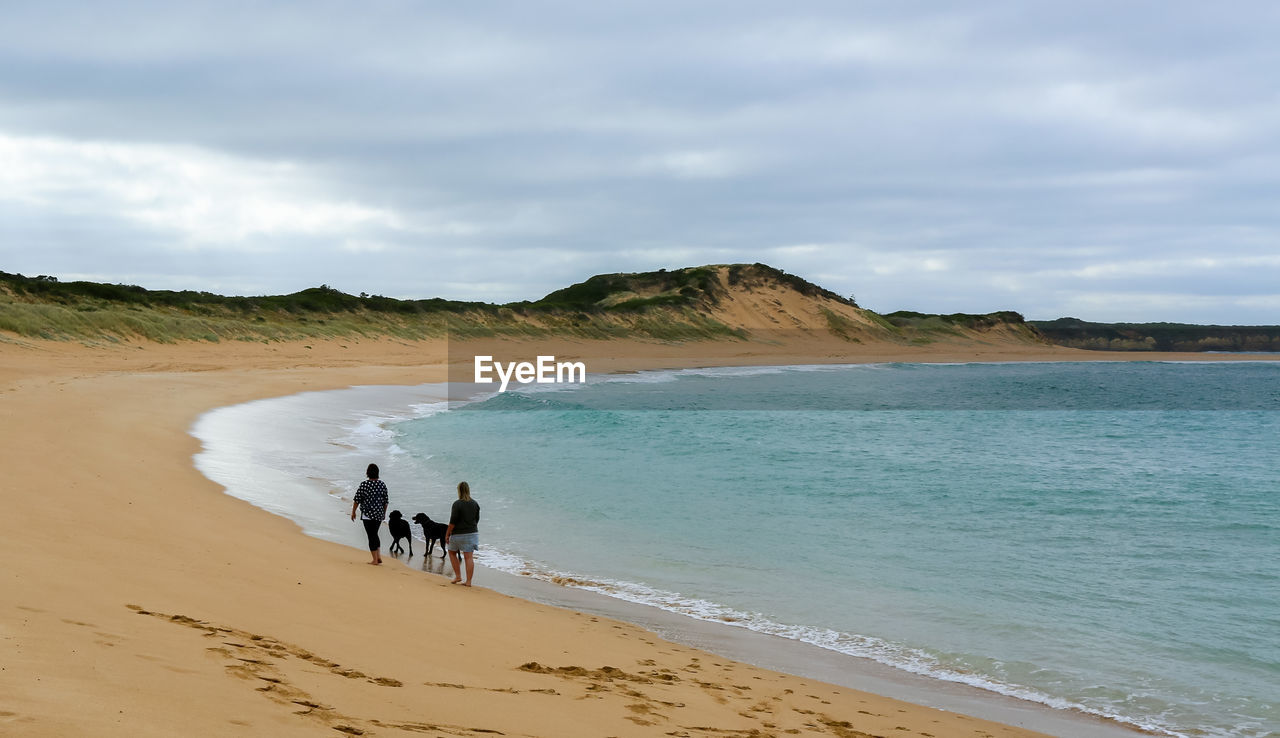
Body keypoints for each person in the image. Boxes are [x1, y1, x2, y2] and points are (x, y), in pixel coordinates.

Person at [350, 463, 388, 565]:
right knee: (375, 534)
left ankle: (375, 560)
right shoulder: (382, 484)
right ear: (377, 473)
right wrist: (384, 513)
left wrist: (353, 512)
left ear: (367, 473)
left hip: (367, 514)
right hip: (379, 514)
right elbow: (386, 501)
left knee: (371, 536)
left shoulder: (364, 484)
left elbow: (357, 499)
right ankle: (378, 557)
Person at [446, 481, 481, 586]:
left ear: (459, 490)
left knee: (452, 552)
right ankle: (469, 581)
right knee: (469, 557)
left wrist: (447, 534)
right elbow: (477, 519)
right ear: (468, 490)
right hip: (472, 533)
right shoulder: (475, 503)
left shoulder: (457, 504)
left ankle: (458, 576)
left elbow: (453, 521)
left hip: (458, 534)